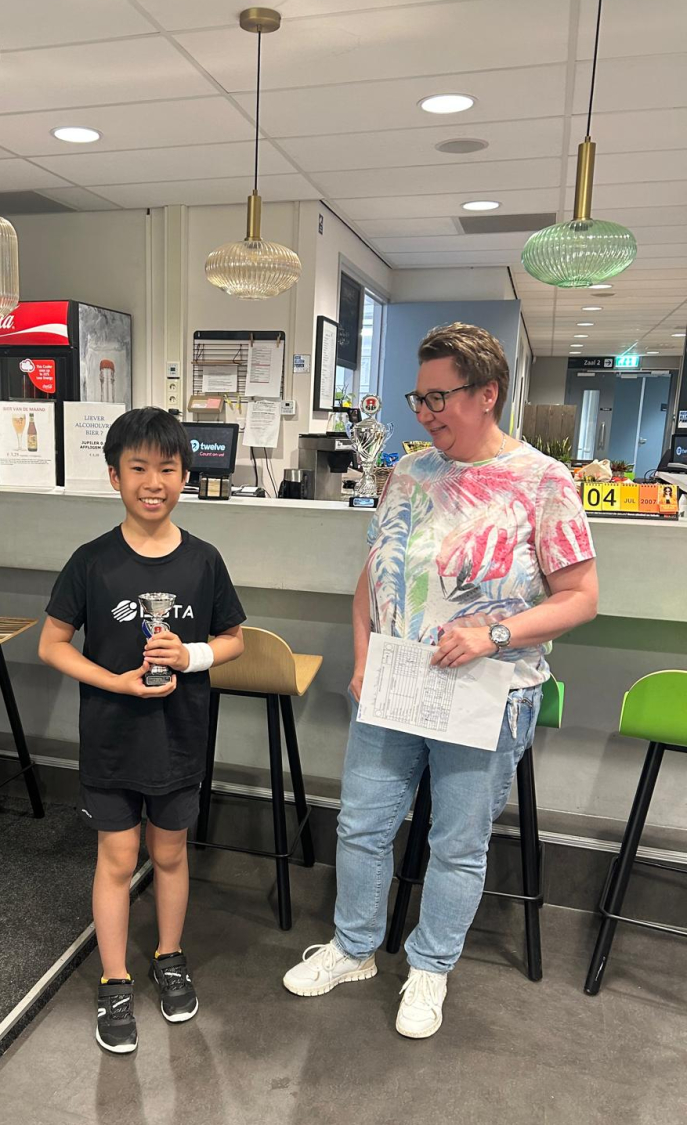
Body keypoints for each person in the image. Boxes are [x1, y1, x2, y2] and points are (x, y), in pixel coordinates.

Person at [283, 323, 598, 1038]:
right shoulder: (409, 473)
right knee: (362, 823)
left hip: (487, 692)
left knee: (456, 842)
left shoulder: (543, 482)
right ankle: (354, 948)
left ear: (487, 394)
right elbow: (370, 581)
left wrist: (493, 633)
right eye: (418, 398)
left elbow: (581, 598)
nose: (424, 413)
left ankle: (430, 968)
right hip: (397, 683)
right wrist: (362, 658)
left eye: (438, 398)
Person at [39, 408, 245, 1054]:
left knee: (172, 853)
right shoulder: (91, 562)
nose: (153, 482)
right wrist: (115, 681)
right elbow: (51, 645)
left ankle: (170, 956)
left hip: (180, 738)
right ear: (114, 476)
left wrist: (191, 655)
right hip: (111, 738)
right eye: (138, 468)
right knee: (117, 857)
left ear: (185, 476)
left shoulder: (204, 561)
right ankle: (114, 979)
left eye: (167, 468)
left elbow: (233, 640)